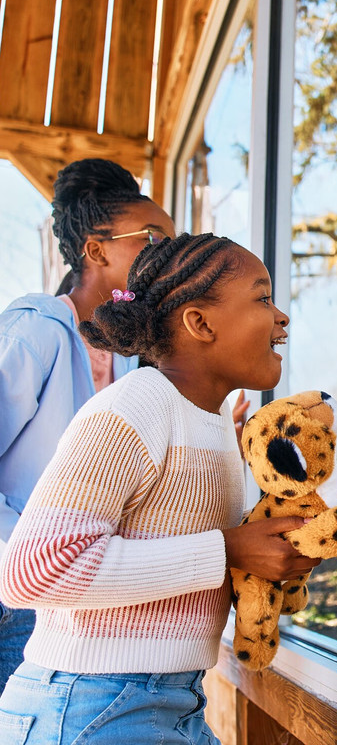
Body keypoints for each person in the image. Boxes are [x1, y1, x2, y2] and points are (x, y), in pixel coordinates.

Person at [0, 232, 319, 744]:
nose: (281, 317)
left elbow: (174, 563)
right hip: (89, 706)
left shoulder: (212, 424)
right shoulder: (137, 406)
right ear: (199, 323)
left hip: (172, 699)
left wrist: (270, 557)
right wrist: (227, 550)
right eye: (262, 298)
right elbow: (32, 572)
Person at [0, 158, 177, 689]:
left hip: (80, 604)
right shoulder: (35, 336)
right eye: (152, 238)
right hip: (17, 603)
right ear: (96, 251)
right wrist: (22, 556)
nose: (165, 253)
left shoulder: (125, 359)